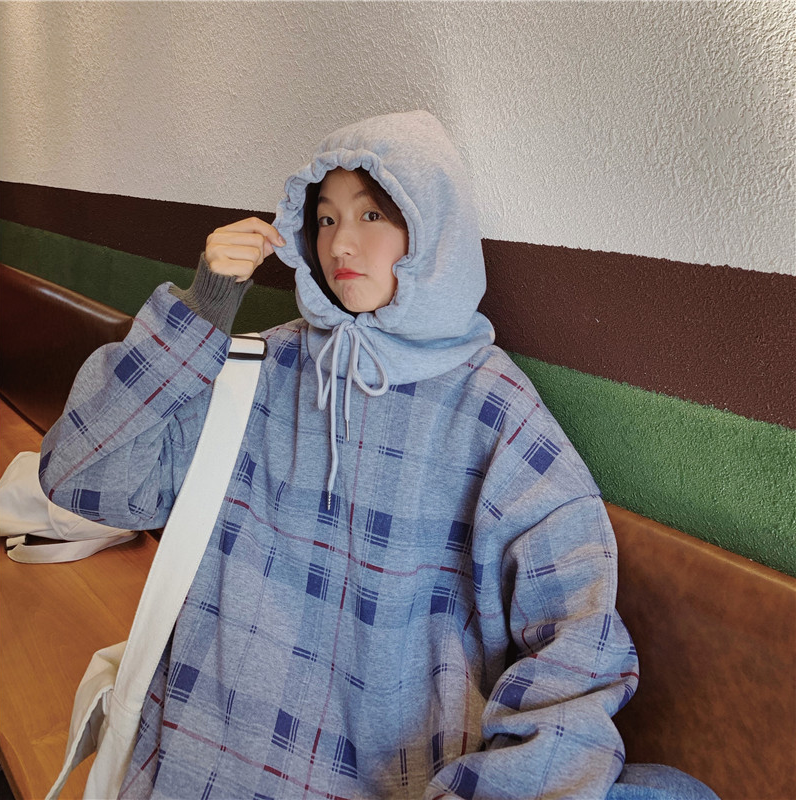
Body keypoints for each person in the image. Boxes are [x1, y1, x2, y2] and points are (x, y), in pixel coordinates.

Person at [40, 111, 719, 799]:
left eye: (372, 214)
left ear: (434, 234)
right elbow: (81, 476)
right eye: (326, 218)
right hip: (198, 766)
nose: (341, 242)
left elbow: (578, 651)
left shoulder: (493, 411)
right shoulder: (261, 370)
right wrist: (200, 311)